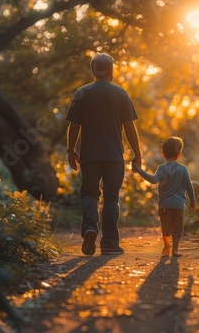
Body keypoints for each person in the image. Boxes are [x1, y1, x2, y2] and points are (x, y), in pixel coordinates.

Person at [65, 53, 142, 256]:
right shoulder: (120, 94)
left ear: (93, 71)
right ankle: (109, 243)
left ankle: (90, 228)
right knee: (111, 198)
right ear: (111, 71)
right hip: (114, 156)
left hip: (89, 155)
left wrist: (71, 150)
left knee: (89, 194)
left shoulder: (82, 93)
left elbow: (74, 126)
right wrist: (137, 153)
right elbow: (129, 128)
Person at [132, 136, 195, 257]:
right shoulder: (183, 169)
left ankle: (167, 246)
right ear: (179, 154)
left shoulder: (162, 168)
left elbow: (153, 180)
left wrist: (140, 171)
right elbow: (189, 186)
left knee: (165, 227)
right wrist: (193, 201)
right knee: (177, 228)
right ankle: (175, 250)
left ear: (163, 154)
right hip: (178, 205)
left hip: (164, 205)